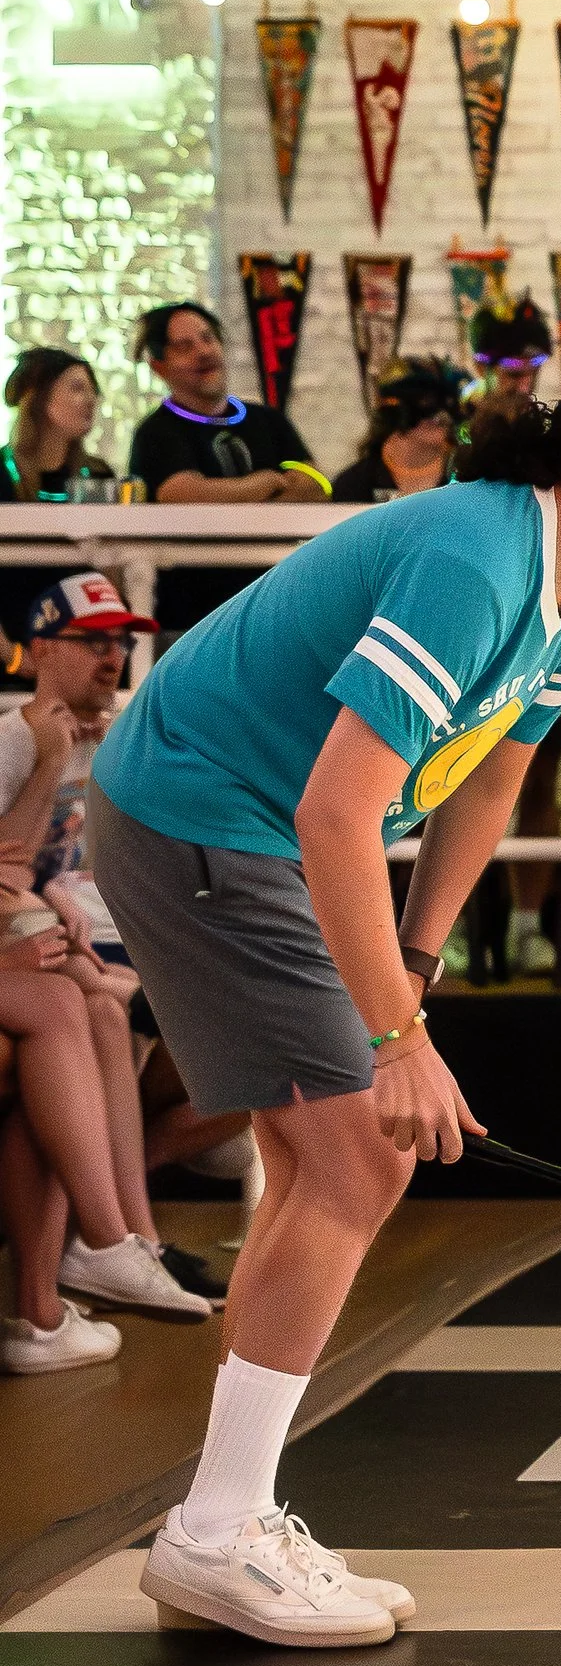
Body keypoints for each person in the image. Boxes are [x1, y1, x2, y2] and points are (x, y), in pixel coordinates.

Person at [87, 311, 561, 1644]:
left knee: (323, 1162)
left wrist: (413, 965)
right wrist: (398, 1032)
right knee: (360, 1156)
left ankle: (228, 1518)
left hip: (256, 812)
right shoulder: (480, 555)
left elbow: (492, 772)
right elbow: (335, 812)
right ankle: (215, 1527)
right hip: (206, 808)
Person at [0, 571, 217, 1370]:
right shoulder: (17, 739)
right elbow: (7, 873)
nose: (112, 655)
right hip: (27, 958)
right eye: (93, 640)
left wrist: (55, 905)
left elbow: (36, 872)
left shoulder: (104, 737)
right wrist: (47, 758)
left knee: (105, 1005)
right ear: (41, 649)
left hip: (53, 940)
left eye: (120, 641)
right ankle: (108, 1245)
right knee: (83, 1007)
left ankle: (113, 1250)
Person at [125, 300, 328, 634]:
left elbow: (316, 481)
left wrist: (241, 498)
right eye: (185, 346)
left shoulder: (267, 419)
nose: (203, 352)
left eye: (208, 339)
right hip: (192, 617)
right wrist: (263, 483)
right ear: (158, 365)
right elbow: (179, 492)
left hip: (274, 605)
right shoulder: (157, 431)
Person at [331, 357, 466, 506]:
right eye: (427, 402)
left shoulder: (466, 478)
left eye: (449, 404)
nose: (442, 416)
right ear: (395, 410)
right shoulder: (355, 483)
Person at [1, 348, 115, 504]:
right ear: (38, 398)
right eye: (77, 388)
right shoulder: (5, 471)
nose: (91, 400)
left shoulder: (98, 475)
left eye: (93, 390)